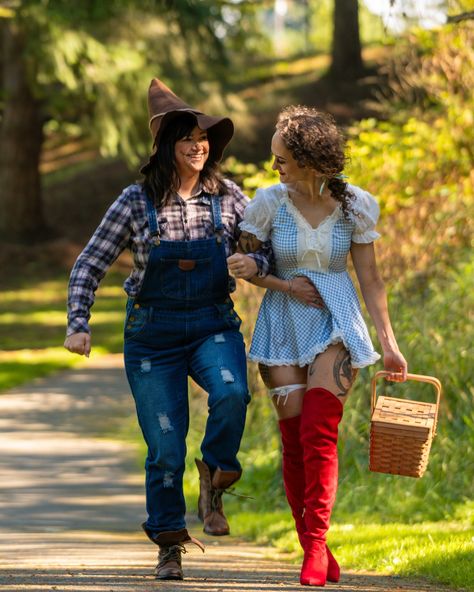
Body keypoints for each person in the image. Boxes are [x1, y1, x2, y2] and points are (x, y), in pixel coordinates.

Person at [64, 78, 271, 581]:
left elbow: (264, 246)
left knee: (230, 395)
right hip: (151, 332)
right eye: (186, 137)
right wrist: (78, 323)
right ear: (167, 147)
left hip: (211, 324)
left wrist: (252, 259)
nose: (198, 145)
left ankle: (215, 477)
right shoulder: (136, 201)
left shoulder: (227, 197)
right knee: (164, 446)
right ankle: (169, 544)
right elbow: (90, 262)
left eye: (203, 137)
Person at [227, 105, 407, 587]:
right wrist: (251, 271)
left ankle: (317, 544)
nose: (275, 166)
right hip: (282, 327)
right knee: (293, 443)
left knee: (318, 434)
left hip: (337, 323)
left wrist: (389, 343)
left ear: (308, 158)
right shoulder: (267, 203)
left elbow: (371, 279)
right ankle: (312, 546)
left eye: (281, 157)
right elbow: (249, 257)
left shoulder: (356, 205)